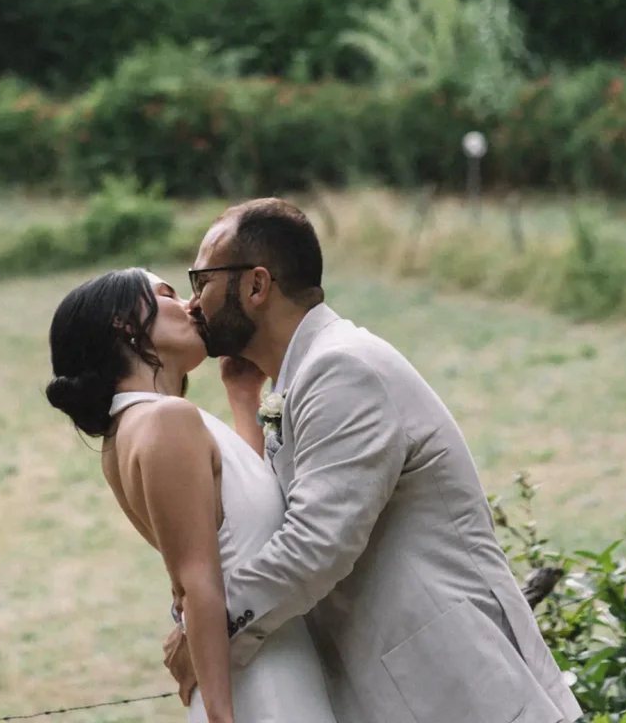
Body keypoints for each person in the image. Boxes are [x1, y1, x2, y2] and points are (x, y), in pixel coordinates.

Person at [169, 198, 581, 723]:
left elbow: (314, 547)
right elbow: (272, 516)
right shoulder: (301, 378)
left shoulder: (342, 369)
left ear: (256, 286)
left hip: (462, 692)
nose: (192, 301)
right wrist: (244, 399)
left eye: (201, 278)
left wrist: (210, 629)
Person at [47, 268, 336, 723]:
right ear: (125, 321)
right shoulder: (168, 421)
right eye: (168, 294)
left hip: (263, 662)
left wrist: (242, 397)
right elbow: (198, 582)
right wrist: (223, 717)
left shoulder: (127, 431)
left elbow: (238, 521)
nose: (192, 306)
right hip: (260, 684)